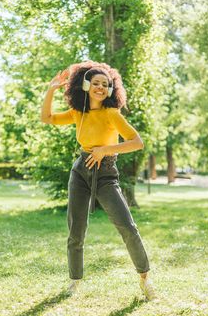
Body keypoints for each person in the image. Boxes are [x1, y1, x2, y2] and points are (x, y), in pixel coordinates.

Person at [41, 60, 156, 300]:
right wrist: (51, 89)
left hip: (105, 173)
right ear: (85, 85)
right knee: (76, 230)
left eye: (105, 84)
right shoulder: (77, 113)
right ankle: (75, 281)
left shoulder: (112, 114)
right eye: (96, 83)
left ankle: (145, 278)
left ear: (111, 89)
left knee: (127, 226)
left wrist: (105, 150)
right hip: (80, 171)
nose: (100, 87)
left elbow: (137, 142)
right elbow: (47, 118)